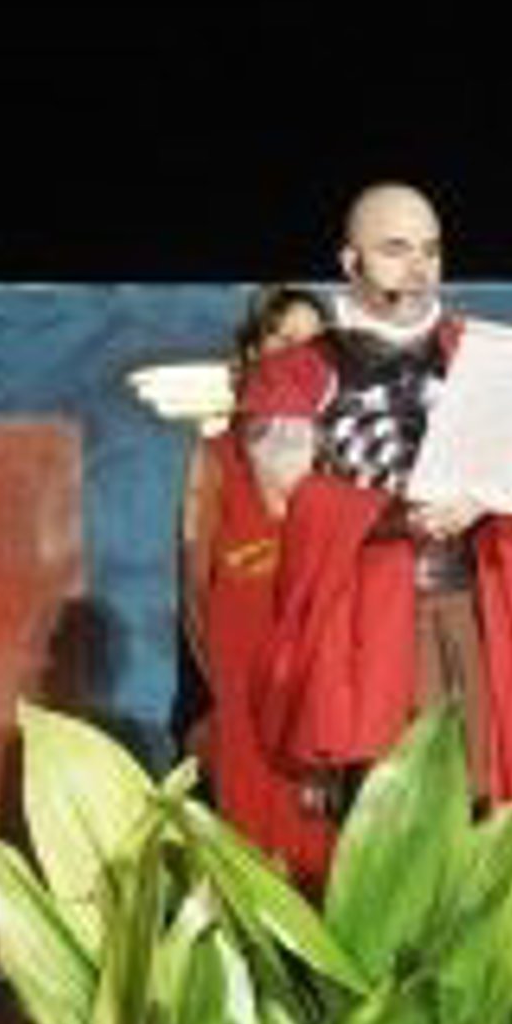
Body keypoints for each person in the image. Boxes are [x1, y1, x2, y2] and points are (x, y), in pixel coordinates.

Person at [236, 182, 512, 850]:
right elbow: (285, 493)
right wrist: (400, 517)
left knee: (488, 782)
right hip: (365, 618)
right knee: (384, 801)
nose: (417, 268)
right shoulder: (299, 371)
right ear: (350, 262)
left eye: (430, 250)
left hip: (474, 600)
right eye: (395, 249)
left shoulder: (480, 351)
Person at [179, 284, 339, 889]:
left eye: (313, 341)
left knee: (325, 851)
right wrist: (212, 708)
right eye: (282, 336)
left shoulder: (343, 457)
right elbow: (196, 592)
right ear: (252, 351)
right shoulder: (216, 458)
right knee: (251, 856)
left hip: (322, 697)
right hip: (241, 696)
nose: (297, 351)